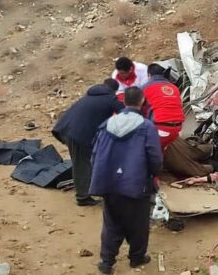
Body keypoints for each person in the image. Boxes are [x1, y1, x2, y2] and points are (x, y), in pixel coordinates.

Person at [89, 87, 162, 275]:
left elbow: (94, 155)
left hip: (108, 183)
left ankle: (106, 263)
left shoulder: (106, 124)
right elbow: (155, 157)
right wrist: (154, 175)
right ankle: (136, 258)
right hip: (136, 183)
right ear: (142, 100)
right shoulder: (146, 126)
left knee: (111, 223)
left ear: (124, 101)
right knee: (138, 223)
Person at [52, 79, 124, 206]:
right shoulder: (110, 98)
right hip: (78, 135)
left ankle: (90, 187)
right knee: (82, 164)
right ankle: (83, 197)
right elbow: (126, 114)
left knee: (88, 160)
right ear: (114, 90)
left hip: (65, 129)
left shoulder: (89, 96)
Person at [141, 63, 184, 150]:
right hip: (178, 128)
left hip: (161, 128)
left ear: (149, 75)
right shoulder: (174, 87)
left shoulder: (145, 88)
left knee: (143, 151)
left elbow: (139, 110)